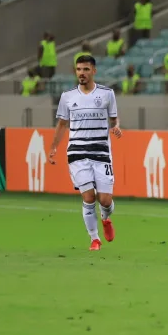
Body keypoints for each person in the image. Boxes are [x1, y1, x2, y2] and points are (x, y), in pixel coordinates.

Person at [48, 55, 123, 251]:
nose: (82, 73)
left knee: (105, 200)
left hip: (101, 151)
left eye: (86, 69)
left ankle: (106, 219)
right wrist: (53, 147)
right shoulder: (68, 96)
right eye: (79, 69)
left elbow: (114, 119)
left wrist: (116, 128)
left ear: (94, 71)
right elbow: (62, 124)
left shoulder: (107, 94)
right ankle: (94, 239)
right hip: (77, 152)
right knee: (89, 197)